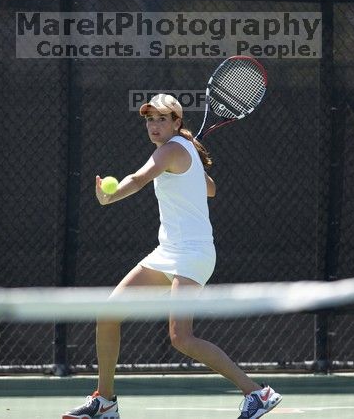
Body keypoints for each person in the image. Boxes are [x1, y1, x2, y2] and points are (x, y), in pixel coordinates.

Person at [63, 94, 282, 419]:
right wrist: (191, 164)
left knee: (181, 337)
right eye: (150, 120)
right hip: (169, 252)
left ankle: (257, 394)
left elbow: (138, 179)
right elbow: (211, 188)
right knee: (108, 315)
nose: (153, 126)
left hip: (193, 254)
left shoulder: (170, 150)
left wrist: (110, 196)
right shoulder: (182, 148)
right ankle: (105, 401)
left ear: (176, 122)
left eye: (162, 119)